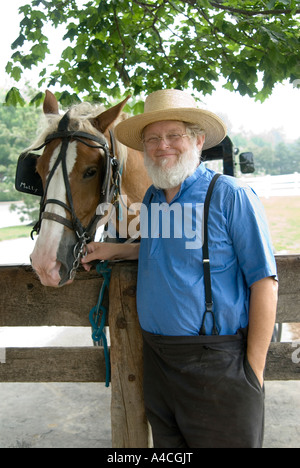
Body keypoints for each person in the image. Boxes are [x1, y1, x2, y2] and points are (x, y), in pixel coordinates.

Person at [82, 89, 278, 448]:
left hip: (217, 362)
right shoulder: (155, 197)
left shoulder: (230, 195)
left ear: (198, 140)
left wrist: (252, 371)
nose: (162, 146)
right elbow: (162, 251)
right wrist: (112, 250)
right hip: (158, 361)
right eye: (153, 138)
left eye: (174, 135)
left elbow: (264, 281)